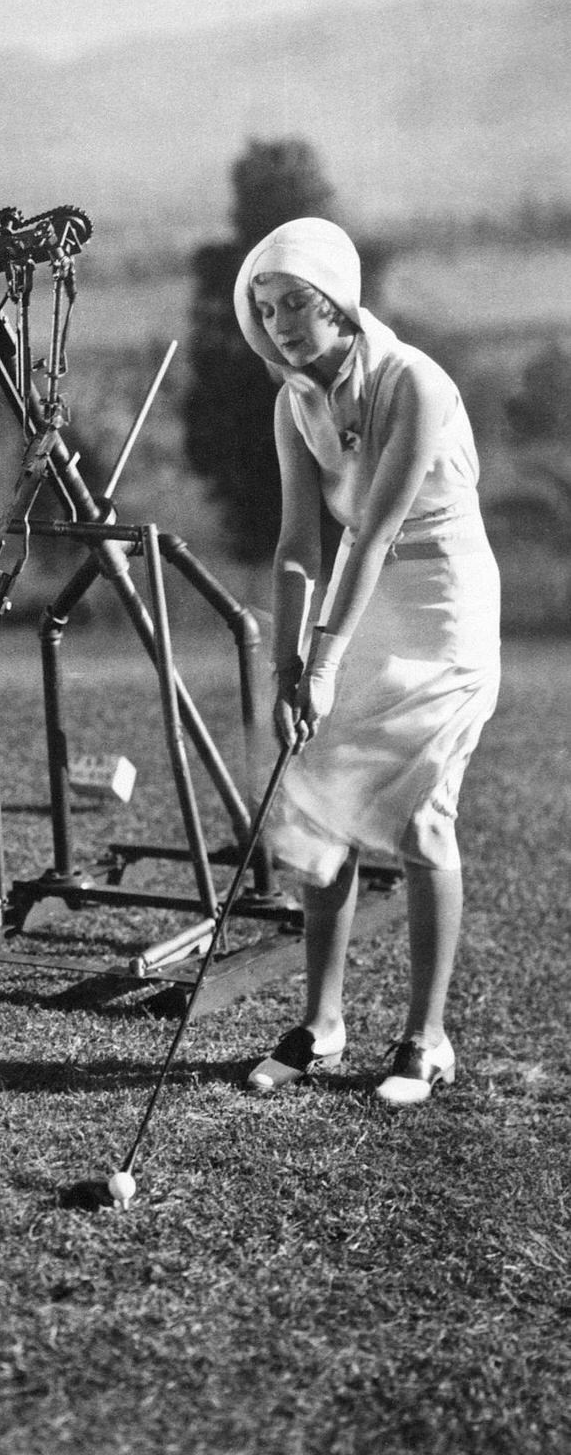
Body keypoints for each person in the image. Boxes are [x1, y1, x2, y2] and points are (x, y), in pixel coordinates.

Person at [233, 218, 500, 1106]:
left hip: (444, 609)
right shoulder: (292, 402)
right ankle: (322, 1024)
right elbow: (299, 548)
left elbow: (378, 532)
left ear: (339, 298)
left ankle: (427, 1039)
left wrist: (324, 662)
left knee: (423, 818)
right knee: (317, 807)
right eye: (265, 310)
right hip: (365, 600)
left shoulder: (413, 383)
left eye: (296, 304)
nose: (280, 325)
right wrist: (287, 669)